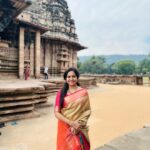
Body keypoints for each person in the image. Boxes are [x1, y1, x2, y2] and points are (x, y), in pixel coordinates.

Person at [54, 67, 91, 150]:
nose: (71, 79)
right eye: (68, 77)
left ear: (77, 78)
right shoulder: (60, 93)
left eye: (73, 76)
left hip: (79, 126)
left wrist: (78, 124)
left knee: (78, 146)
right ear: (66, 79)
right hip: (64, 127)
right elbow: (56, 112)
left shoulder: (83, 92)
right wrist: (71, 123)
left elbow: (87, 110)